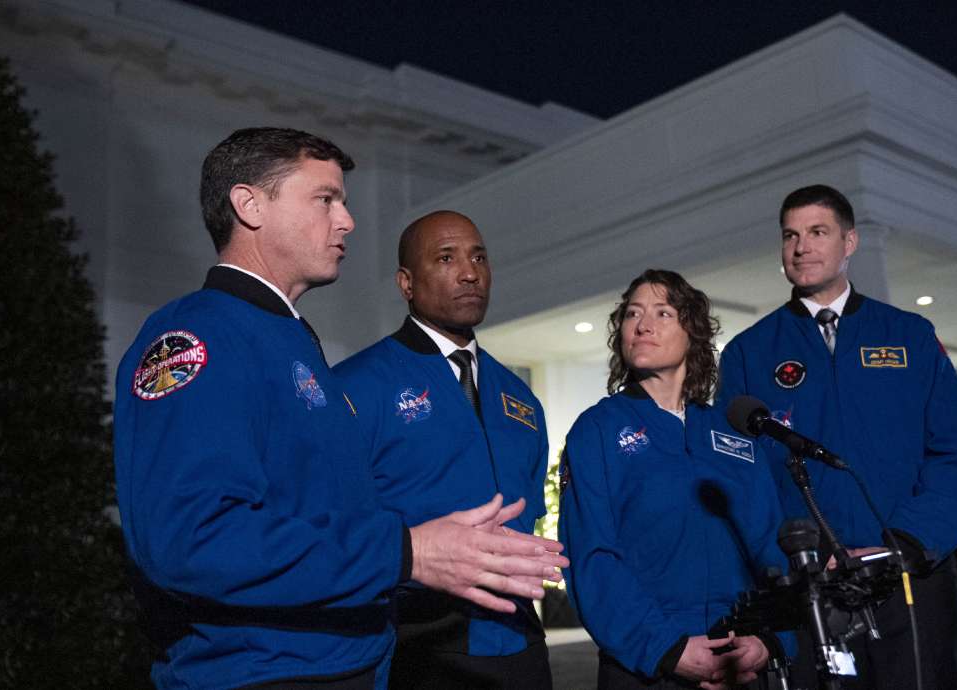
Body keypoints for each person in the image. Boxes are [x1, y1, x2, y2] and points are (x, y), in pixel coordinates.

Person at [113, 128, 566, 690]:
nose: (347, 220)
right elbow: (190, 539)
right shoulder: (196, 337)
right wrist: (406, 551)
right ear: (249, 205)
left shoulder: (289, 339)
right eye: (325, 199)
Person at [716, 185, 957, 689]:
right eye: (790, 236)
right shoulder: (748, 353)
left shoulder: (909, 335)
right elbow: (737, 476)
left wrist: (906, 543)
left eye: (818, 232)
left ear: (850, 241)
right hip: (809, 589)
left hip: (910, 579)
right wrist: (798, 561)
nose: (802, 247)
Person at [335, 210, 553, 689]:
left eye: (478, 257)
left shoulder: (520, 399)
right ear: (406, 283)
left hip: (518, 644)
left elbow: (529, 513)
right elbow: (337, 527)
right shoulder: (355, 386)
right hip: (413, 644)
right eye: (446, 258)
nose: (470, 272)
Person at [559, 269, 794, 690]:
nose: (643, 325)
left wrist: (769, 639)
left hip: (741, 656)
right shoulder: (596, 430)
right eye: (632, 314)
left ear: (693, 333)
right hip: (649, 663)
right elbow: (592, 558)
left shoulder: (732, 435)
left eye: (663, 313)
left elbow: (771, 547)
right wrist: (666, 648)